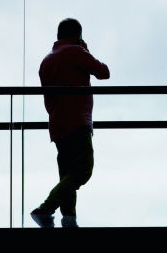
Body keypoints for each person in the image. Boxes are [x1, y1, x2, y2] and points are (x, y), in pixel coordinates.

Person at [30, 17, 110, 228]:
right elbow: (104, 73)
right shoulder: (75, 52)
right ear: (77, 35)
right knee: (83, 169)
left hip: (57, 124)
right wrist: (84, 49)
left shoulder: (46, 61)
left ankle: (69, 219)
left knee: (67, 174)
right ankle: (45, 209)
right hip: (77, 120)